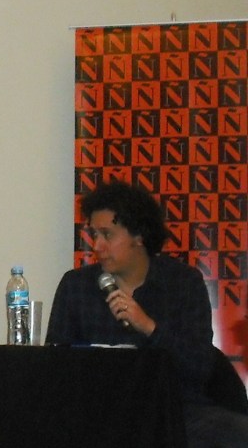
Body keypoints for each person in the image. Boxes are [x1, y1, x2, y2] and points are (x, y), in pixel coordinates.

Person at [46, 181, 248, 447]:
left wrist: (150, 327)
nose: (97, 246)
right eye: (94, 235)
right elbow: (54, 365)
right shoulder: (76, 286)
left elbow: (200, 366)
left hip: (176, 410)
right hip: (101, 414)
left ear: (139, 236)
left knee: (238, 432)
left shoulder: (183, 283)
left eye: (107, 235)